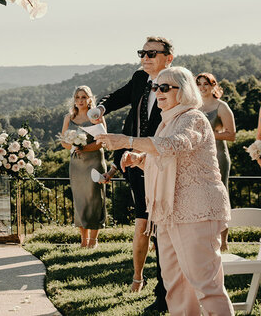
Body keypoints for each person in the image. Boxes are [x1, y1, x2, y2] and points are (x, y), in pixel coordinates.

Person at [97, 66, 233, 316]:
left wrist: (127, 141)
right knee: (176, 286)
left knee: (206, 285)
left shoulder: (193, 117)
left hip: (196, 212)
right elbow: (166, 159)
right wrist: (139, 159)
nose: (157, 92)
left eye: (165, 87)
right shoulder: (167, 122)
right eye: (155, 87)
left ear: (184, 91)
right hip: (168, 213)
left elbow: (176, 146)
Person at [90, 36, 173, 307]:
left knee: (160, 227)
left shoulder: (176, 84)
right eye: (142, 53)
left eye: (152, 53)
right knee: (144, 221)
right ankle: (142, 278)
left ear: (168, 58)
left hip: (162, 165)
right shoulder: (139, 79)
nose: (145, 57)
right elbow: (118, 97)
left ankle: (165, 289)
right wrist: (101, 107)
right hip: (135, 166)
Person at [60, 86, 107, 248]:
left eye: (83, 97)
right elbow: (63, 142)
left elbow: (102, 141)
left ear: (89, 99)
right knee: (79, 200)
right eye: (77, 97)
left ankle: (93, 241)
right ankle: (83, 241)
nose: (80, 100)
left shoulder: (96, 116)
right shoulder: (69, 117)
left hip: (94, 161)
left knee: (94, 198)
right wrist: (73, 146)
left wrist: (85, 148)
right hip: (77, 164)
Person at [197, 72, 236, 251]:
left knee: (220, 196)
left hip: (218, 156)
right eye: (199, 84)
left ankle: (224, 241)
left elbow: (232, 135)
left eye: (206, 84)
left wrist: (209, 134)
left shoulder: (222, 107)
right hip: (197, 158)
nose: (203, 87)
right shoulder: (194, 106)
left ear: (213, 86)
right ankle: (203, 238)